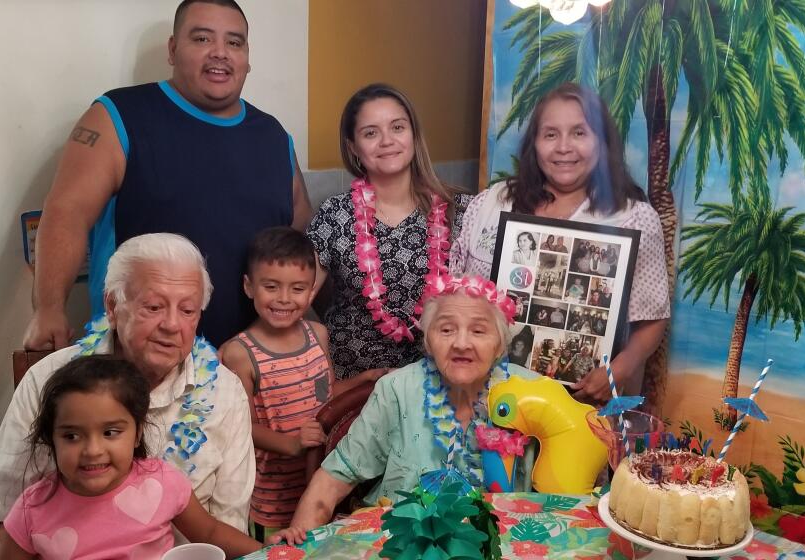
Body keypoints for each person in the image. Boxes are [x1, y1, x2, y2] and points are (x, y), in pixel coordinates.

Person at [23, 0, 312, 350]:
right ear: (173, 50)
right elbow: (67, 211)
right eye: (202, 39)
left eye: (234, 42)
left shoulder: (274, 137)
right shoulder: (117, 115)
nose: (220, 53)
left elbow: (299, 237)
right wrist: (49, 308)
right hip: (137, 363)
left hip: (250, 366)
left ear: (247, 58)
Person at [0, 233, 254, 556]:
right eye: (154, 306)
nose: (173, 325)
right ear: (112, 305)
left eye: (188, 310)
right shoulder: (50, 379)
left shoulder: (224, 391)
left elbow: (226, 526)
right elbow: (0, 521)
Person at [268, 276, 537, 544]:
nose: (461, 343)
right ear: (429, 342)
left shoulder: (531, 393)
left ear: (500, 345)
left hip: (502, 543)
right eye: (446, 330)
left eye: (478, 331)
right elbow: (334, 477)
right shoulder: (397, 389)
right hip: (398, 541)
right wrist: (294, 543)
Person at [451, 82, 669, 402]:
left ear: (602, 142)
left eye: (580, 133)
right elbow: (452, 291)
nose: (563, 147)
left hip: (577, 404)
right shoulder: (491, 202)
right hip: (482, 392)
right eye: (550, 134)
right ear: (534, 144)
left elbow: (652, 317)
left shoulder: (633, 217)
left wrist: (617, 371)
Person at [0, 356, 261, 559]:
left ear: (137, 434)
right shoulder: (31, 510)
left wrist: (269, 551)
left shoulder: (162, 481)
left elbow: (210, 532)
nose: (93, 450)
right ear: (51, 439)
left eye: (110, 432)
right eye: (72, 436)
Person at [218, 227, 383, 541]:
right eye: (271, 286)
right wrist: (292, 442)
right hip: (271, 500)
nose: (283, 298)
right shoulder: (239, 354)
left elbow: (326, 394)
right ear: (249, 287)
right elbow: (238, 427)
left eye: (297, 289)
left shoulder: (317, 334)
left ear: (311, 293)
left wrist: (363, 380)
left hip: (322, 484)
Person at [307, 83, 471, 379]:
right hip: (352, 383)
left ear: (413, 135)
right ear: (353, 147)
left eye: (397, 127)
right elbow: (294, 295)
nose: (387, 141)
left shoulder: (459, 212)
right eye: (371, 133)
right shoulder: (334, 214)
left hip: (437, 382)